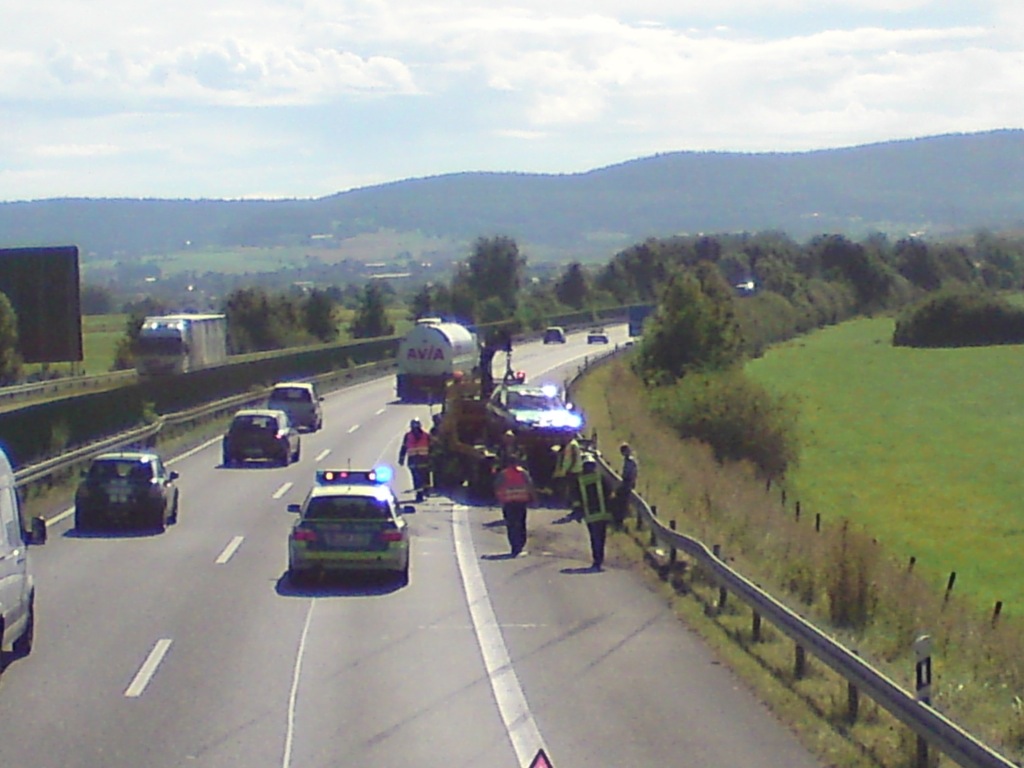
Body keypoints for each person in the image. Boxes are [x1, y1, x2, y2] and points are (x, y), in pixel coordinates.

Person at [493, 455, 536, 557]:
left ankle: (514, 546)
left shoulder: (503, 474)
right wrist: (533, 498)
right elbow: (530, 486)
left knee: (511, 525)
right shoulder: (523, 473)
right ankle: (520, 545)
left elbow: (497, 487)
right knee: (521, 523)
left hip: (508, 503)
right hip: (521, 502)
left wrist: (499, 498)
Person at [575, 455, 613, 569]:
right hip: (603, 515)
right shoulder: (601, 478)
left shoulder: (580, 480)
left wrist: (578, 512)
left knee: (594, 538)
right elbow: (610, 493)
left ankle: (596, 560)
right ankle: (599, 560)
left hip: (590, 515)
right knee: (601, 538)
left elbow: (576, 499)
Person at [398, 418, 431, 502]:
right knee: (420, 478)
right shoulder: (424, 435)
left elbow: (432, 447)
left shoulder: (424, 436)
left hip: (419, 460)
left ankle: (422, 493)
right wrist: (401, 458)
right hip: (418, 460)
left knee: (419, 479)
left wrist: (401, 459)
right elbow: (404, 447)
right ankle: (422, 494)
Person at [552, 435, 583, 509]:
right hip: (570, 469)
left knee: (573, 487)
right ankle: (571, 502)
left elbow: (574, 458)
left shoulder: (573, 445)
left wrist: (569, 468)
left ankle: (575, 504)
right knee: (570, 486)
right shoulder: (568, 444)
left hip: (574, 470)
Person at [613, 442, 638, 528]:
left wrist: (631, 483)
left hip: (628, 483)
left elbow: (633, 473)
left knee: (622, 502)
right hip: (626, 482)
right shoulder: (627, 460)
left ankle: (619, 520)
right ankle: (617, 519)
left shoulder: (631, 461)